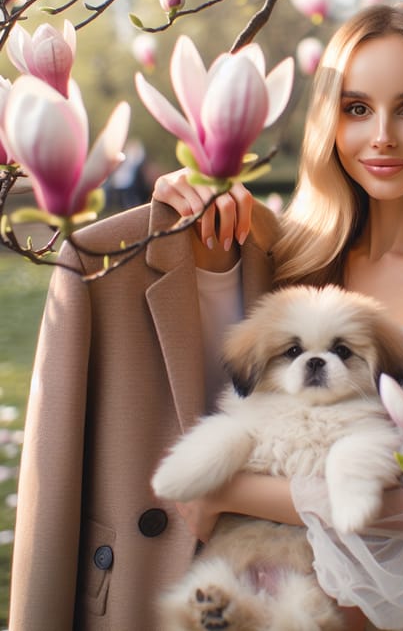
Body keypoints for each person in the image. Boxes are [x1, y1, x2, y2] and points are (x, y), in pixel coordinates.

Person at [151, 1, 403, 630]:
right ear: (330, 122)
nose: (381, 135)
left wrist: (226, 491)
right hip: (250, 592)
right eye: (356, 109)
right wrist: (178, 204)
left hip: (384, 616)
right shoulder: (291, 251)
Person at [9, 182, 283, 630]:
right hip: (133, 588)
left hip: (269, 590)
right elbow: (53, 468)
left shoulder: (302, 257)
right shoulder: (100, 255)